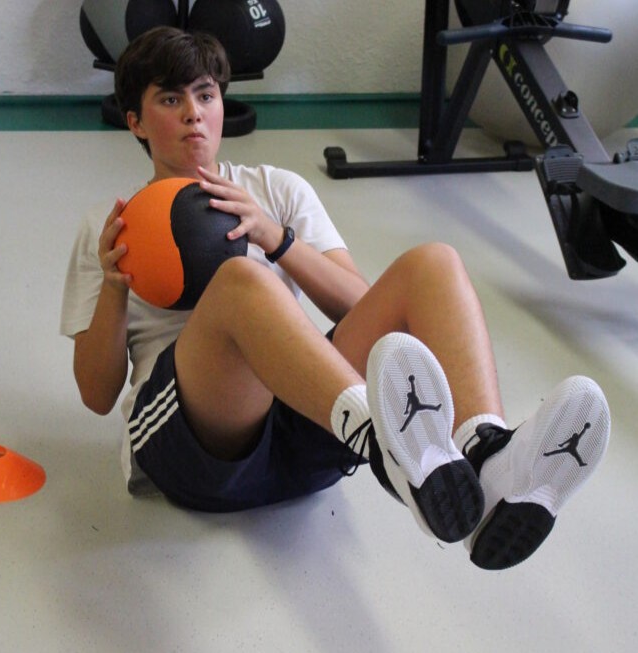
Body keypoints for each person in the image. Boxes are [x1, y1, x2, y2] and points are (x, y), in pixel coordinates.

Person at [60, 26, 610, 571]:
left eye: (206, 95)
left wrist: (276, 238)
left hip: (306, 424)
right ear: (135, 121)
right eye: (170, 100)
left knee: (433, 263)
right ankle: (387, 445)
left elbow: (359, 305)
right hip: (194, 452)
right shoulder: (110, 227)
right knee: (241, 281)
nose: (193, 114)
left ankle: (488, 458)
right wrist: (114, 287)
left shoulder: (277, 189)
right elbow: (96, 393)